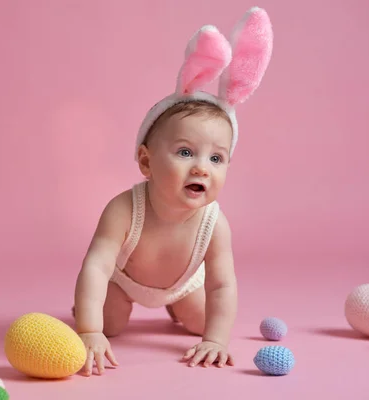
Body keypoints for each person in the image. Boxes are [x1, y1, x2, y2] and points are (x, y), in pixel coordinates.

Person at [72, 7, 274, 376]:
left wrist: (216, 339)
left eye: (217, 158)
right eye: (185, 152)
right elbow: (97, 266)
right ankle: (90, 314)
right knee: (110, 325)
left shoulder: (215, 224)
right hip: (125, 282)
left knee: (200, 323)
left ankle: (175, 307)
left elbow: (222, 284)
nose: (201, 167)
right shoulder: (123, 209)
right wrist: (89, 330)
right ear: (146, 163)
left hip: (182, 286)